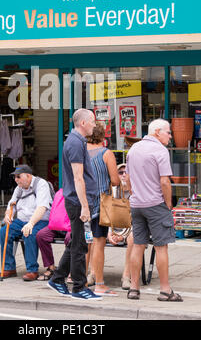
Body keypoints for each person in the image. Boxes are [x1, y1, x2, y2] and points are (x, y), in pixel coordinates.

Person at [125, 119, 183, 302]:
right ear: (157, 132)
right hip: (156, 204)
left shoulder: (134, 149)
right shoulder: (160, 150)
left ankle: (133, 288)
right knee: (161, 247)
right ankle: (165, 290)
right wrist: (168, 204)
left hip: (137, 205)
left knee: (138, 245)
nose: (170, 136)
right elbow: (165, 182)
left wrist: (135, 195)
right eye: (168, 132)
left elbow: (128, 179)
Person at [47, 108, 102, 300]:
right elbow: (78, 178)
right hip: (78, 202)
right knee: (80, 246)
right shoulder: (75, 143)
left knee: (76, 242)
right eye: (93, 122)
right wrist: (85, 206)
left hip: (79, 201)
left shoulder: (77, 141)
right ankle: (79, 287)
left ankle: (57, 279)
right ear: (83, 123)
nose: (95, 125)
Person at [0, 164, 53, 282]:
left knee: (29, 233)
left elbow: (42, 207)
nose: (16, 180)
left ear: (28, 175)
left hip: (40, 220)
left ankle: (32, 270)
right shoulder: (19, 187)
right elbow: (11, 205)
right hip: (22, 220)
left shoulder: (41, 184)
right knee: (4, 232)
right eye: (15, 177)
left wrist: (31, 223)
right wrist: (8, 215)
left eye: (18, 177)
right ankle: (9, 268)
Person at [87, 122, 120, 296]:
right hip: (100, 204)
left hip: (82, 204)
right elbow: (115, 180)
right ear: (103, 136)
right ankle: (99, 283)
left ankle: (81, 280)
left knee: (84, 243)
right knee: (99, 243)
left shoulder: (80, 153)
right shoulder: (106, 154)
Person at [107, 163, 133, 290]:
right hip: (113, 228)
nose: (123, 175)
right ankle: (92, 274)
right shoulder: (111, 191)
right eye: (120, 172)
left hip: (131, 228)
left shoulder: (136, 192)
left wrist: (122, 236)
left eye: (126, 172)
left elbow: (136, 220)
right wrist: (108, 232)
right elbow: (106, 215)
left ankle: (126, 276)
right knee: (95, 235)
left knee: (133, 238)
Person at [36, 188, 71, 281]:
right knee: (41, 235)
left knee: (70, 238)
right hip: (58, 225)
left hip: (73, 225)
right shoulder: (60, 192)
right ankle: (51, 267)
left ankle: (71, 269)